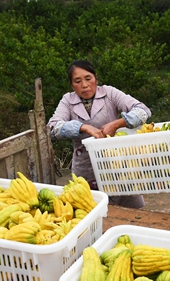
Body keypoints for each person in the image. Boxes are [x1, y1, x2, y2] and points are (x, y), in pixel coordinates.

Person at [47, 60, 152, 209]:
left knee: (132, 213)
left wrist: (116, 124)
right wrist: (83, 127)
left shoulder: (109, 93)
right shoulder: (68, 101)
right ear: (72, 85)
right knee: (92, 213)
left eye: (88, 78)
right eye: (78, 81)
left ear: (96, 78)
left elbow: (143, 111)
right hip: (85, 170)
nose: (84, 85)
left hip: (117, 166)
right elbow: (52, 128)